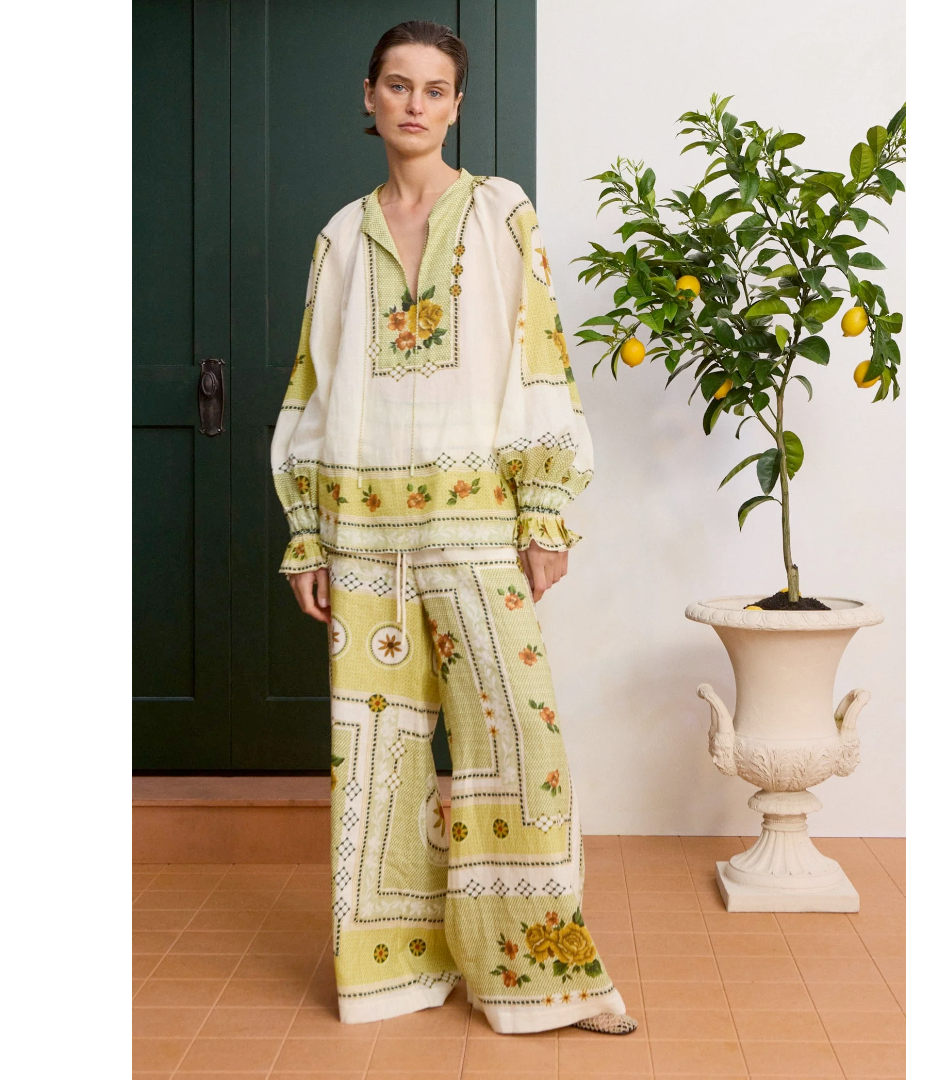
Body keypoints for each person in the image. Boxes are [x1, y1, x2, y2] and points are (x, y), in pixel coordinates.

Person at [270, 19, 635, 1036]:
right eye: (398, 85)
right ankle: (393, 973)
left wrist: (545, 510)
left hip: (476, 524)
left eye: (435, 89)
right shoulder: (340, 238)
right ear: (370, 96)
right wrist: (307, 534)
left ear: (458, 105)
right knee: (376, 764)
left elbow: (540, 355)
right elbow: (312, 386)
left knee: (518, 744)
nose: (415, 104)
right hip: (364, 537)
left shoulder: (501, 213)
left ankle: (543, 978)